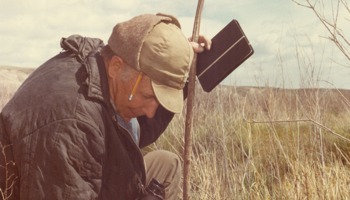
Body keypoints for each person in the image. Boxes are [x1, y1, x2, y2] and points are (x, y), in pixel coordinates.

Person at [0, 13, 211, 200]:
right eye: (148, 96)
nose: (150, 111)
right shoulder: (72, 127)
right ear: (117, 67)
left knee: (166, 164)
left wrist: (175, 62)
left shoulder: (101, 65)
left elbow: (136, 132)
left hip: (88, 177)